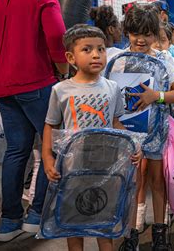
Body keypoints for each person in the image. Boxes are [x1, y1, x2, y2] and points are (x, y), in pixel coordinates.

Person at [0, 0, 69, 242]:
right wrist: (63, 72)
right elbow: (57, 39)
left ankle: (8, 222)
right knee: (54, 147)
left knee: (16, 151)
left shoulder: (0, 2)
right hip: (35, 82)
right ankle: (37, 215)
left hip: (2, 87)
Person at [42, 24, 142, 251]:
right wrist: (48, 158)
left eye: (101, 49)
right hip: (72, 165)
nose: (96, 54)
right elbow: (51, 125)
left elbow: (116, 123)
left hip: (106, 164)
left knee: (104, 216)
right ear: (71, 57)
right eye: (87, 49)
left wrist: (134, 145)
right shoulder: (60, 90)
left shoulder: (113, 87)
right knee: (72, 218)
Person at [122, 4, 174, 250]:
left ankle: (160, 233)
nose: (141, 39)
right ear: (127, 32)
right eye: (136, 33)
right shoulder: (118, 60)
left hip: (157, 131)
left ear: (155, 34)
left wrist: (156, 96)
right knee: (131, 182)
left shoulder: (165, 59)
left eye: (147, 34)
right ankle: (131, 234)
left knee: (158, 182)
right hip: (127, 133)